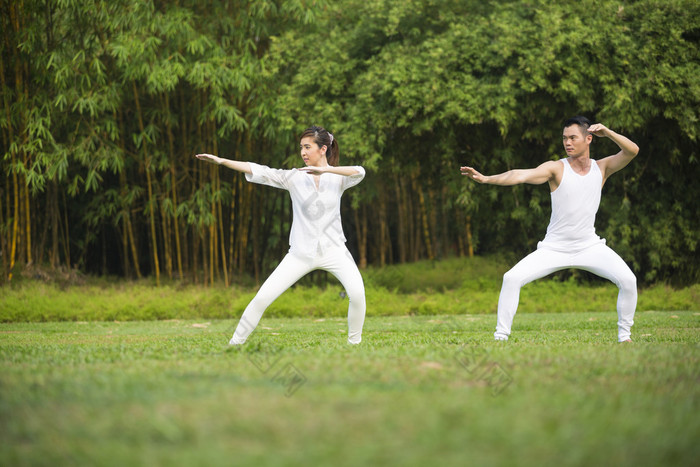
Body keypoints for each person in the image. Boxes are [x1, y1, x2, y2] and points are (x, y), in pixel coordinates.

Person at [460, 116, 639, 342]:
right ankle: (500, 337)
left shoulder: (601, 168)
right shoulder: (556, 168)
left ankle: (625, 337)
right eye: (564, 138)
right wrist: (486, 179)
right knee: (511, 278)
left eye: (573, 137)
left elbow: (632, 151)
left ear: (589, 139)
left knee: (629, 281)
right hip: (554, 248)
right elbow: (519, 174)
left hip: (590, 246)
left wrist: (609, 132)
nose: (567, 142)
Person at [196, 126, 367, 345]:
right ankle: (235, 343)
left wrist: (326, 171)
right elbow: (259, 170)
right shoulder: (293, 177)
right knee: (262, 298)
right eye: (301, 148)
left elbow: (360, 171)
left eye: (307, 147)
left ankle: (354, 344)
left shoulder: (338, 178)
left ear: (323, 149)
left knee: (358, 295)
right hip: (300, 253)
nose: (303, 152)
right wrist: (221, 161)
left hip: (335, 251)